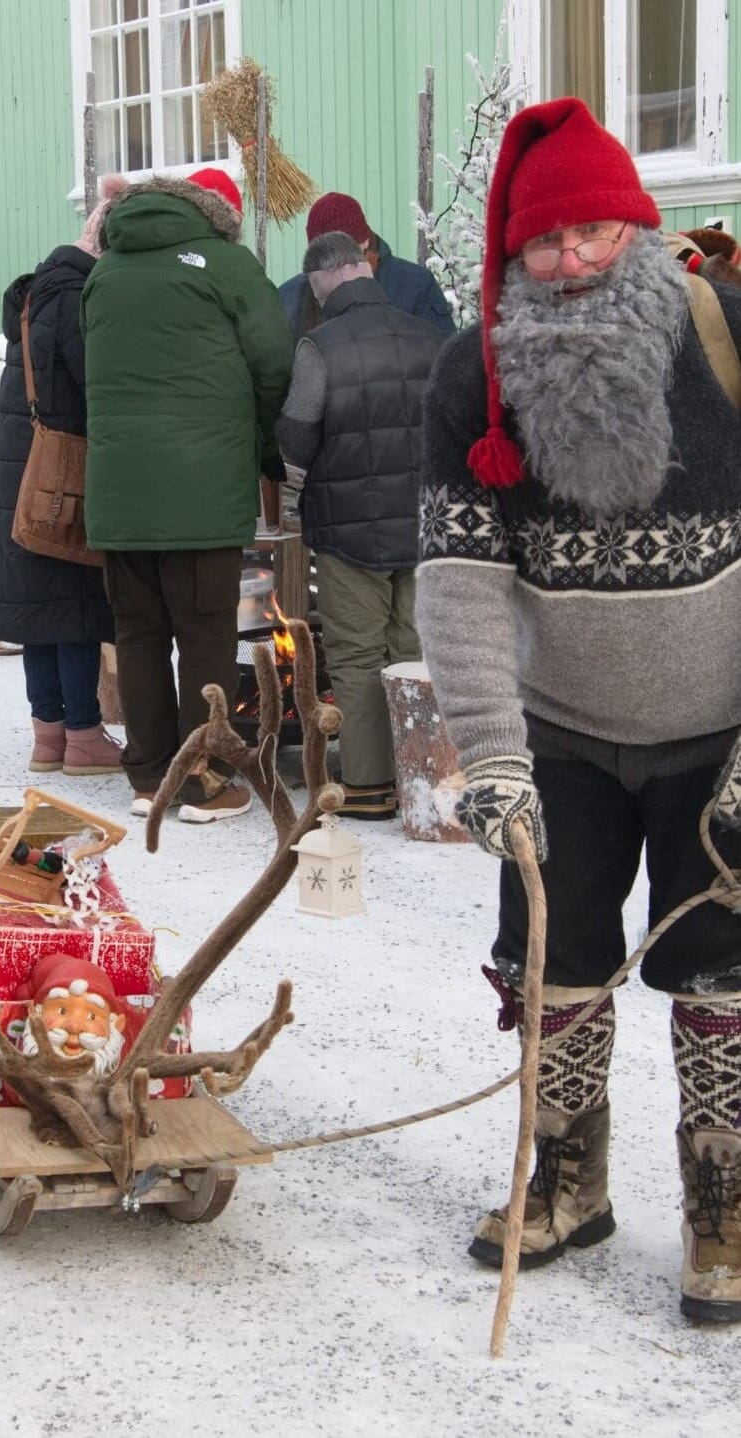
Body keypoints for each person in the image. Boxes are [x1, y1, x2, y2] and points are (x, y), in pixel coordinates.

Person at [416, 96, 741, 1324]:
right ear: (512, 252)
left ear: (637, 228)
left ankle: (723, 1209)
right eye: (547, 245)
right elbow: (459, 574)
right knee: (554, 967)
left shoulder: (721, 335)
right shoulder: (473, 374)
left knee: (721, 980)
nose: (571, 265)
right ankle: (567, 1180)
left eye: (596, 235)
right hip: (561, 740)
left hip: (714, 738)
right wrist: (492, 756)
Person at [82, 167, 292, 822]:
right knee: (203, 633)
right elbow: (275, 362)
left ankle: (148, 776)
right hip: (202, 492)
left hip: (120, 496)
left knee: (138, 632)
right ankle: (201, 778)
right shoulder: (227, 266)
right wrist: (260, 439)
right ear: (213, 213)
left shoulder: (104, 274)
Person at [276, 231, 442, 819]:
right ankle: (420, 777)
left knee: (355, 653)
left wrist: (292, 500)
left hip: (349, 533)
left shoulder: (320, 347)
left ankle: (371, 785)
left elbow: (297, 436)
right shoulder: (430, 338)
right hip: (423, 527)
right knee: (413, 647)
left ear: (322, 280)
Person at [0, 187, 124, 778]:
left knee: (38, 608)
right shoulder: (75, 296)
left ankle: (48, 735)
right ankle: (83, 734)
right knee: (73, 604)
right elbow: (97, 379)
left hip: (25, 465)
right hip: (62, 472)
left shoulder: (33, 293)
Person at [279, 192, 455, 343]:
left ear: (365, 242)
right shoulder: (291, 297)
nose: (338, 273)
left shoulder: (415, 286)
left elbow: (442, 359)